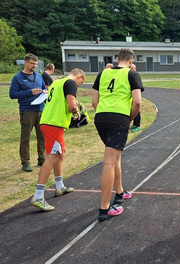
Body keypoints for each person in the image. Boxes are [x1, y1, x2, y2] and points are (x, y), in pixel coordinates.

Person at [92, 48, 143, 221]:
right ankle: (104, 208)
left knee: (115, 157)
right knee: (109, 162)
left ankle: (120, 192)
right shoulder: (132, 75)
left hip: (101, 117)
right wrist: (130, 118)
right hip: (119, 117)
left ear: (117, 59)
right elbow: (137, 102)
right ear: (131, 61)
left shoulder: (102, 74)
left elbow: (94, 101)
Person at [30, 68, 85, 211]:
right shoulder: (70, 83)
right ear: (79, 76)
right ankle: (38, 195)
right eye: (80, 83)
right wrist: (76, 111)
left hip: (49, 121)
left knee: (61, 153)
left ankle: (59, 186)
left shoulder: (56, 82)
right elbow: (72, 105)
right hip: (54, 123)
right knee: (52, 157)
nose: (78, 86)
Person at [9, 53, 46, 172]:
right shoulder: (17, 78)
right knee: (26, 137)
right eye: (32, 63)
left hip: (41, 109)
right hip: (27, 110)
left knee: (42, 136)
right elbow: (12, 94)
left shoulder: (39, 76)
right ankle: (25, 162)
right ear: (25, 63)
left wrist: (44, 92)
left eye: (36, 64)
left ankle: (42, 158)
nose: (34, 66)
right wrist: (30, 92)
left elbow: (44, 87)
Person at [129, 63, 141, 132]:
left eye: (132, 69)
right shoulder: (130, 76)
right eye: (130, 69)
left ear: (135, 69)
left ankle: (137, 125)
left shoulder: (135, 76)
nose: (131, 70)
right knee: (131, 109)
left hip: (135, 95)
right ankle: (134, 123)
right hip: (130, 95)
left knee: (136, 108)